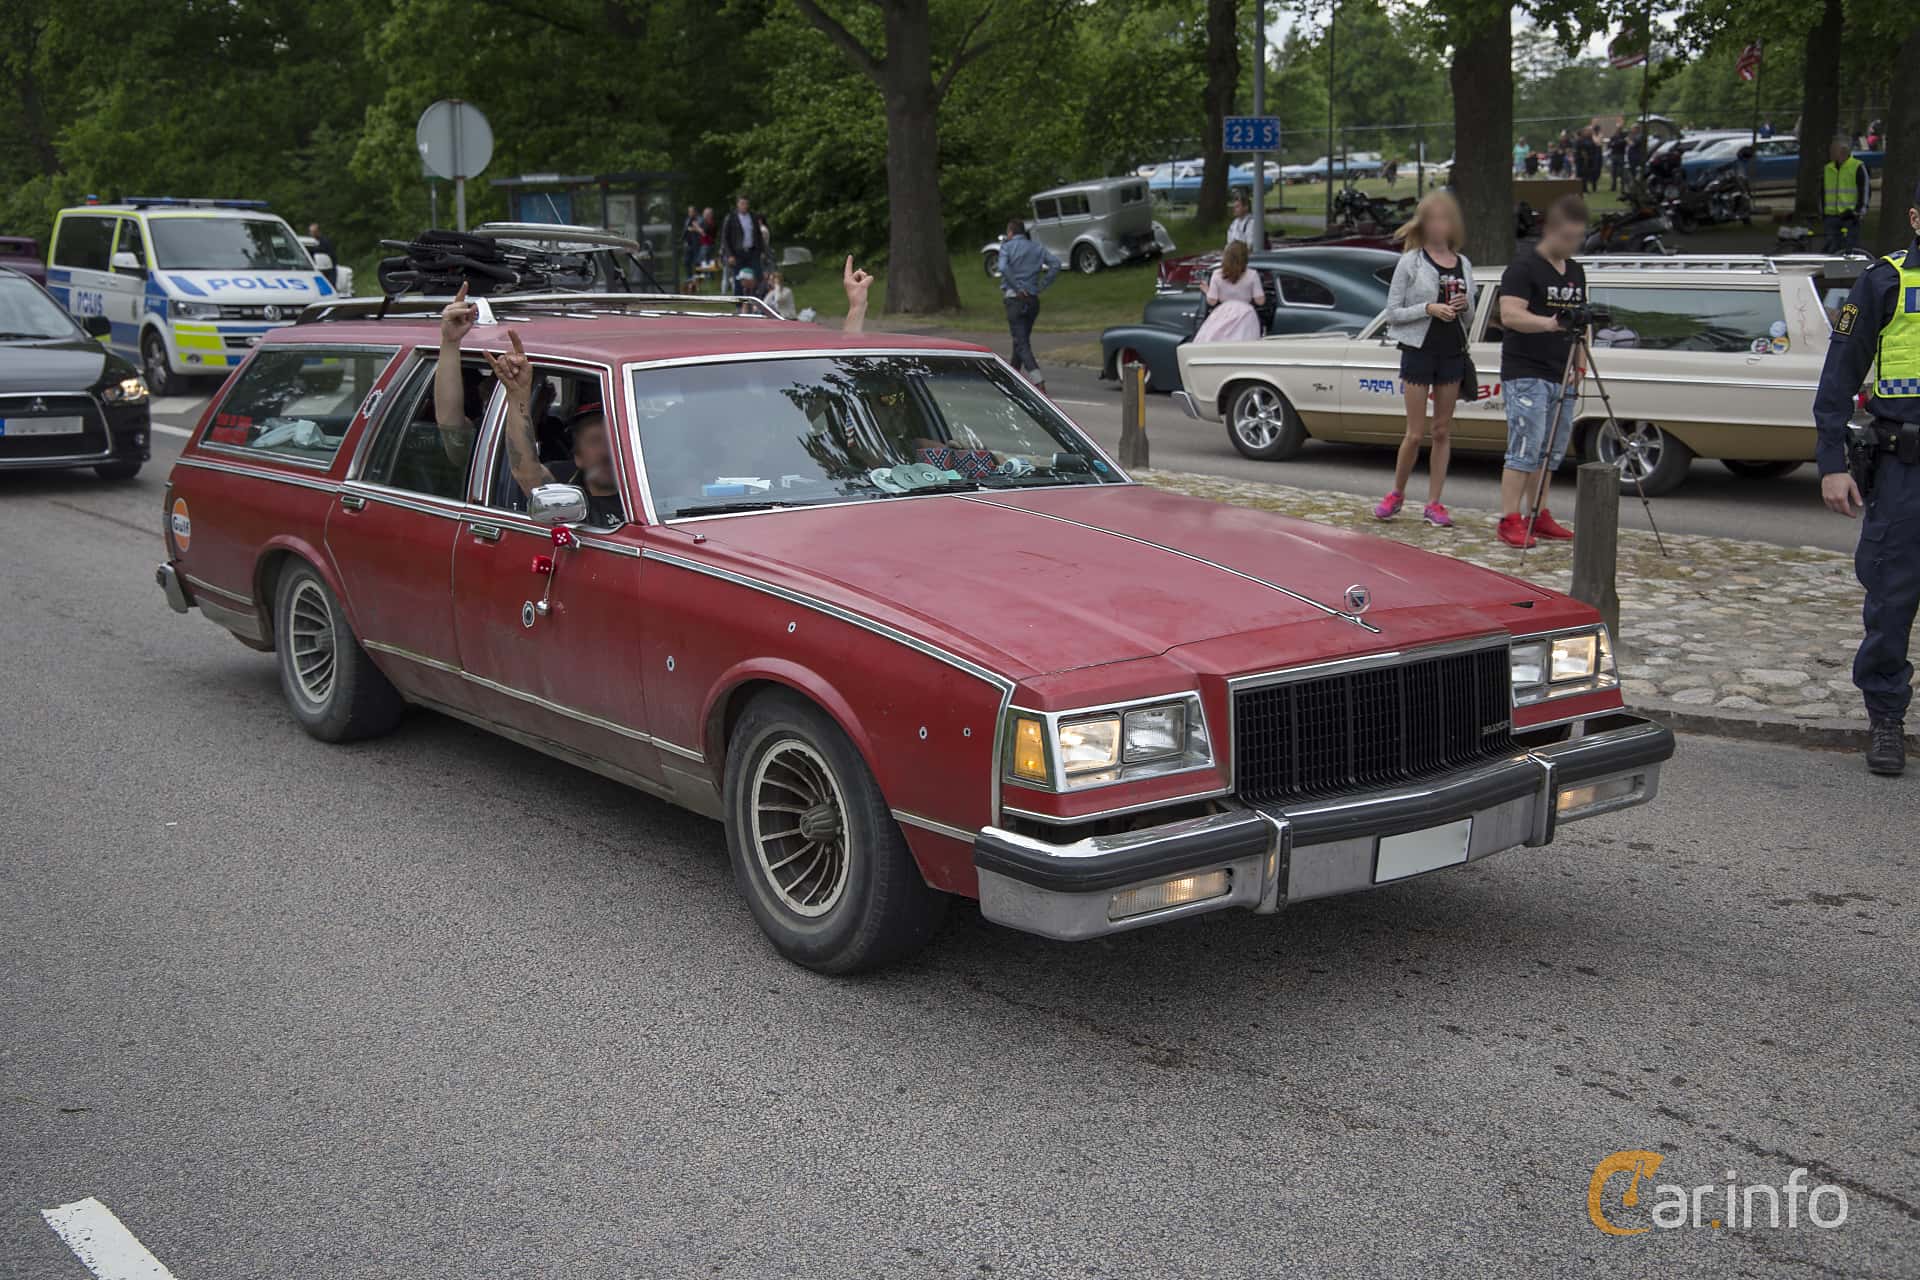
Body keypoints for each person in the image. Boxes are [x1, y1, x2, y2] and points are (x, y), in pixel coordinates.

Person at [1811, 181, 1920, 774]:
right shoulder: (1884, 281)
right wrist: (1831, 463)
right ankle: (1886, 719)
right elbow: (1837, 379)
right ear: (1914, 216)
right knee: (1892, 599)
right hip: (1905, 471)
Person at [1373, 191, 1474, 528]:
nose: (1438, 225)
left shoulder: (1464, 263)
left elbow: (1471, 317)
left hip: (1452, 351)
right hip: (1419, 349)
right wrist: (1429, 308)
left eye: (1444, 219)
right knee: (1415, 433)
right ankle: (1397, 493)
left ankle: (1435, 502)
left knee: (1442, 430)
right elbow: (1393, 312)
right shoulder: (1412, 261)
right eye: (1432, 219)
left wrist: (1462, 305)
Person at [1495, 194, 1588, 548]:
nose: (1571, 244)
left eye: (1577, 237)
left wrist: (1580, 357)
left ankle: (1540, 512)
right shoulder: (1523, 267)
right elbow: (1511, 315)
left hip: (1561, 371)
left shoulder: (1576, 271)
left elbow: (1580, 319)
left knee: (1551, 449)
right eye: (1566, 236)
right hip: (1526, 370)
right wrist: (1547, 324)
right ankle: (1510, 517)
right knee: (1526, 445)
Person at [997, 216, 1060, 390]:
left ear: (1010, 232)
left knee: (1021, 341)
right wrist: (1042, 285)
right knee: (1020, 340)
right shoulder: (1037, 248)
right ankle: (1011, 376)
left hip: (1014, 299)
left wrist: (1017, 287)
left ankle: (1037, 379)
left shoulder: (1007, 248)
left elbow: (1002, 268)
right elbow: (1055, 264)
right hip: (1032, 299)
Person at [1194, 240, 1265, 344]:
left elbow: (1212, 301)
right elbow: (1260, 301)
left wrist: (1207, 290)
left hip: (1223, 312)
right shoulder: (1252, 274)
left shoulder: (1217, 274)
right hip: (1246, 314)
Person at [1821, 139, 1869, 254]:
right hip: (1831, 215)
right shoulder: (1828, 168)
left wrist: (1859, 211)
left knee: (1851, 248)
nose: (1830, 153)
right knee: (1832, 247)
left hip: (1850, 215)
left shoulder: (1857, 166)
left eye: (1833, 151)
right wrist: (1822, 212)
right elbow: (1822, 192)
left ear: (1842, 151)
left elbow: (1865, 190)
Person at [722, 195, 768, 296]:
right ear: (738, 204)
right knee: (739, 278)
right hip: (738, 252)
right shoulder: (731, 218)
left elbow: (758, 236)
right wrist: (729, 255)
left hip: (752, 251)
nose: (744, 206)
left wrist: (762, 251)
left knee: (757, 275)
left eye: (746, 204)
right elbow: (725, 238)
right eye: (742, 203)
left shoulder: (753, 217)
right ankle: (739, 303)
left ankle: (758, 299)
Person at [307, 222, 337, 287]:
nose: (311, 234)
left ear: (318, 231)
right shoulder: (309, 242)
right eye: (310, 232)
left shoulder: (324, 242)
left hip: (327, 269)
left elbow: (332, 256)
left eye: (313, 232)